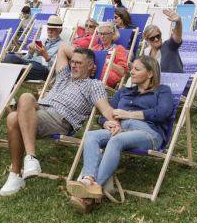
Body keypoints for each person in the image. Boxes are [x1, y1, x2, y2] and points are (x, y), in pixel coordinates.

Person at [0, 45, 113, 196]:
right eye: (72, 61)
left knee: (13, 117)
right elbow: (62, 48)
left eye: (79, 63)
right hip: (39, 110)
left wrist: (115, 122)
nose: (73, 65)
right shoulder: (64, 75)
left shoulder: (94, 85)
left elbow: (106, 109)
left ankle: (17, 173)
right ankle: (30, 160)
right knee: (26, 98)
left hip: (62, 118)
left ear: (91, 65)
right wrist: (81, 56)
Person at [66, 56, 175, 214]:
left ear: (150, 73)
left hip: (148, 133)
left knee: (116, 141)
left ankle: (95, 190)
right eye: (132, 69)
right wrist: (107, 123)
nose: (132, 72)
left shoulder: (162, 90)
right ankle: (88, 179)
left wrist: (129, 114)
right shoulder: (124, 92)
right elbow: (107, 114)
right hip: (120, 130)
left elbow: (163, 112)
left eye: (137, 69)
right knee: (91, 135)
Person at [4, 15, 64, 81]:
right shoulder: (41, 41)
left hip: (42, 69)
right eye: (48, 29)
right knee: (9, 57)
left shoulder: (64, 45)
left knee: (13, 71)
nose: (49, 32)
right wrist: (30, 52)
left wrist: (46, 56)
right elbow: (25, 60)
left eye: (53, 30)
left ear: (60, 31)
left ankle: (6, 75)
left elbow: (59, 67)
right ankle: (8, 74)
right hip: (29, 64)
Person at [141, 9, 184, 74]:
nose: (156, 39)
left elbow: (177, 37)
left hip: (174, 82)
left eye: (158, 36)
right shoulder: (147, 51)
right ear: (147, 40)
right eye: (152, 38)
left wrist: (178, 22)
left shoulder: (168, 46)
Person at [90, 22, 128, 89]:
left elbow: (122, 71)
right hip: (93, 72)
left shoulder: (119, 49)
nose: (102, 36)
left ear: (112, 34)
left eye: (105, 34)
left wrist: (107, 61)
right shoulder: (96, 48)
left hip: (108, 76)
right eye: (100, 33)